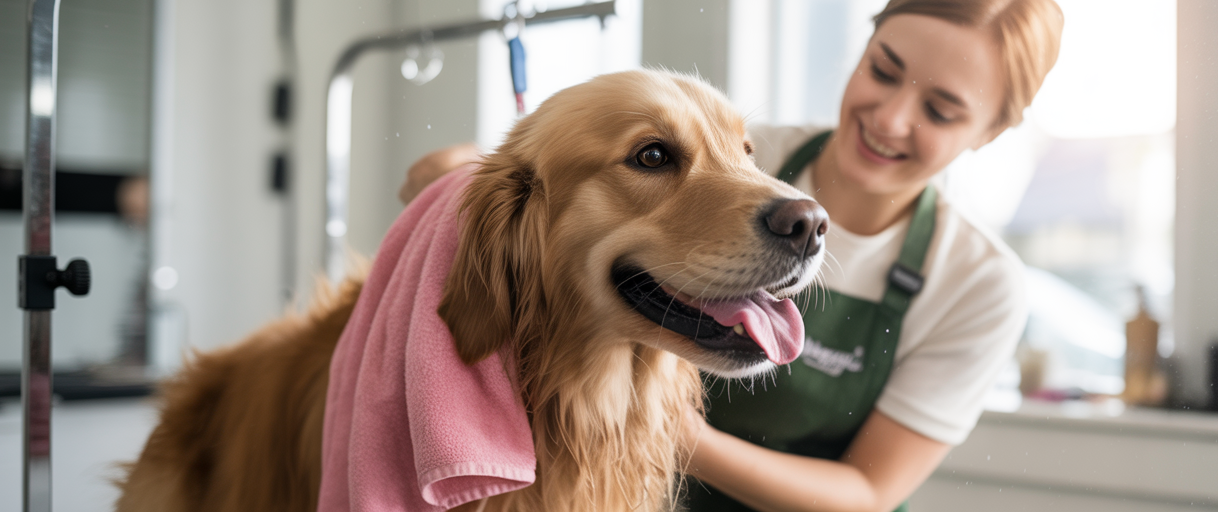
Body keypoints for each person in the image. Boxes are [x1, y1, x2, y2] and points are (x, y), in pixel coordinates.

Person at [401, 2, 1062, 510]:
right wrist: (464, 176)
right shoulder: (739, 147)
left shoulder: (979, 282)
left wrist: (657, 429)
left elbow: (867, 492)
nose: (889, 118)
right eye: (882, 70)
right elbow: (558, 186)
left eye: (941, 111)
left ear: (991, 132)